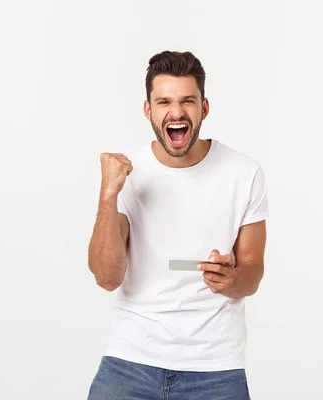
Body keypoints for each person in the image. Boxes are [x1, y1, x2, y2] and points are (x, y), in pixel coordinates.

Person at [87, 50, 268, 400]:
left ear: (204, 108)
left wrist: (232, 280)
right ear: (148, 110)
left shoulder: (244, 174)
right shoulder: (127, 172)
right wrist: (108, 196)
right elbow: (107, 277)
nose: (177, 111)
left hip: (216, 368)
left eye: (188, 100)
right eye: (164, 101)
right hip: (130, 361)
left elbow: (253, 272)